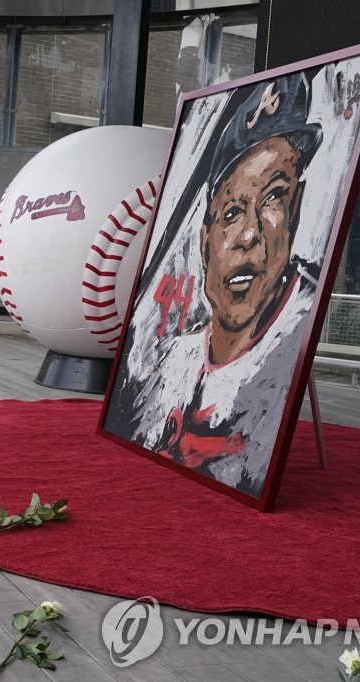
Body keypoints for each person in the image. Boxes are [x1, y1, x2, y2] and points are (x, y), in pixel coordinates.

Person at [112, 73, 324, 498]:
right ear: (204, 242)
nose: (249, 234)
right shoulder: (175, 359)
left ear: (296, 209)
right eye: (230, 213)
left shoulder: (292, 335)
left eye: (273, 199)